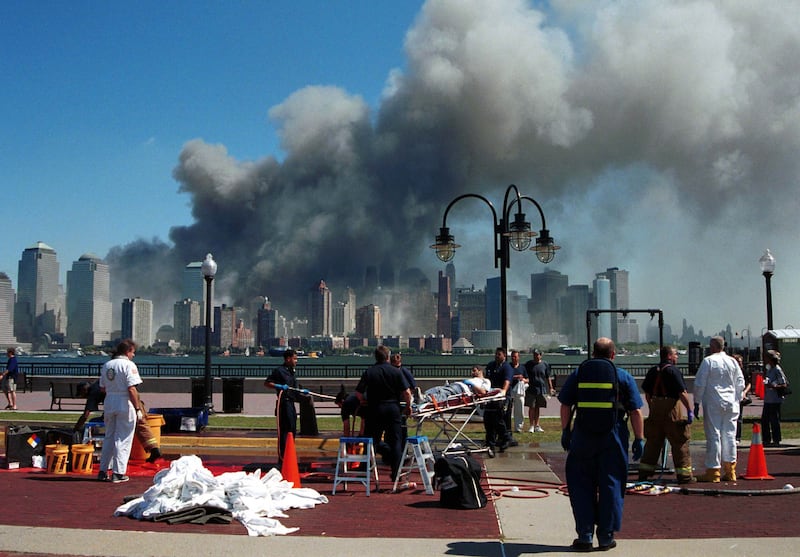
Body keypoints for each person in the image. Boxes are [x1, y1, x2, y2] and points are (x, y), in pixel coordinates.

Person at [558, 337, 644, 552]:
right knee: (611, 485)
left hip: (583, 435)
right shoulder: (622, 376)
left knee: (581, 485)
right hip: (613, 436)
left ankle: (585, 536)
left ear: (593, 353)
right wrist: (639, 439)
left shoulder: (579, 373)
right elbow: (635, 411)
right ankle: (606, 537)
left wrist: (565, 430)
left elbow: (565, 404)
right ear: (613, 355)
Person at [638, 345, 695, 484]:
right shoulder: (673, 371)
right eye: (675, 355)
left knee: (652, 443)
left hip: (656, 410)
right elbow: (682, 393)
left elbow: (647, 394)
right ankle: (685, 476)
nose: (677, 357)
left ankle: (644, 473)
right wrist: (689, 410)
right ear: (669, 356)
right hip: (672, 411)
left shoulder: (652, 371)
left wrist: (653, 408)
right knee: (679, 442)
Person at [354, 345, 412, 482]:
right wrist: (408, 406)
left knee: (371, 440)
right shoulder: (396, 372)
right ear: (387, 357)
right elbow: (407, 392)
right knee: (396, 441)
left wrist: (363, 402)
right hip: (392, 408)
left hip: (374, 409)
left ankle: (365, 470)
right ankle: (396, 473)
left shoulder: (369, 372)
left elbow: (358, 393)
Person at [693, 335, 745, 482]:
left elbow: (700, 383)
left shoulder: (708, 361)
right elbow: (740, 381)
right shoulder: (732, 361)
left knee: (714, 435)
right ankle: (730, 470)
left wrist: (696, 402)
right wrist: (738, 397)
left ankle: (713, 470)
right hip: (731, 402)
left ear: (713, 346)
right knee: (730, 435)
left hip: (714, 401)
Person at [74, 380, 162, 463]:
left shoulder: (93, 392)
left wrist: (76, 428)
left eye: (82, 394)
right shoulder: (99, 383)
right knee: (142, 426)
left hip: (126, 406)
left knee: (124, 432)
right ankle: (154, 449)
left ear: (84, 390)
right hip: (135, 400)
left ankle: (120, 460)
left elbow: (86, 415)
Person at [97, 339, 143, 483]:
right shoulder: (129, 365)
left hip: (110, 401)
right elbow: (132, 388)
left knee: (109, 437)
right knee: (123, 438)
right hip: (124, 402)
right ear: (128, 351)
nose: (133, 355)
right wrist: (137, 408)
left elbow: (102, 388)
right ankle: (118, 472)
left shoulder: (107, 365)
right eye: (133, 352)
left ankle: (103, 470)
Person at [265, 348, 304, 469]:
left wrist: (302, 392)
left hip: (291, 403)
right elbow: (267, 383)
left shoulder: (292, 371)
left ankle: (290, 456)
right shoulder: (279, 371)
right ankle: (282, 459)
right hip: (284, 403)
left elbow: (294, 388)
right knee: (285, 431)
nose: (296, 361)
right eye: (295, 358)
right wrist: (279, 386)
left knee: (292, 429)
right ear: (288, 359)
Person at [484, 347, 515, 453]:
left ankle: (506, 438)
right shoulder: (491, 365)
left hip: (503, 397)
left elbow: (507, 381)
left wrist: (503, 392)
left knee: (501, 419)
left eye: (499, 354)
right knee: (488, 419)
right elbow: (487, 380)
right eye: (496, 354)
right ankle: (490, 442)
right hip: (491, 397)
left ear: (504, 356)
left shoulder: (507, 367)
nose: (496, 356)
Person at [417, 366, 491, 406]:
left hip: (463, 390)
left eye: (474, 370)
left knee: (444, 393)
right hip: (458, 385)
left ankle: (426, 399)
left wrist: (470, 384)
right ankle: (422, 396)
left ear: (480, 371)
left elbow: (483, 391)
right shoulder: (473, 379)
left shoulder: (485, 381)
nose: (472, 372)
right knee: (438, 388)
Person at [761, 350, 788, 447]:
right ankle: (766, 439)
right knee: (765, 420)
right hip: (768, 399)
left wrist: (773, 386)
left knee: (774, 419)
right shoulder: (769, 370)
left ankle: (776, 439)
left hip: (775, 399)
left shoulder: (777, 369)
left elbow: (784, 384)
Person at [524, 349, 554, 433]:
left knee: (537, 407)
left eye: (537, 355)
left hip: (541, 389)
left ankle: (537, 425)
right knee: (531, 407)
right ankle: (531, 426)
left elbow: (548, 377)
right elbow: (524, 374)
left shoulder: (545, 364)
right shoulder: (528, 364)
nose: (535, 356)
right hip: (531, 389)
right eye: (534, 355)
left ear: (541, 355)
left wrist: (551, 388)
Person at [507, 350, 529, 433]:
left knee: (519, 410)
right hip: (510, 390)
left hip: (519, 392)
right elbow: (506, 377)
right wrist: (515, 377)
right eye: (512, 356)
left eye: (515, 356)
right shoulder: (508, 366)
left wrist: (523, 379)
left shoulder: (522, 367)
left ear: (518, 357)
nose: (513, 358)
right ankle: (507, 427)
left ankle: (518, 427)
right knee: (508, 409)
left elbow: (527, 379)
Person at [733, 354, 752, 443]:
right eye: (738, 362)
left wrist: (744, 392)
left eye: (741, 362)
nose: (740, 364)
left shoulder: (744, 371)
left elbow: (749, 383)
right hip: (732, 396)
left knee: (739, 417)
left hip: (740, 396)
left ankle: (738, 437)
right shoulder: (731, 372)